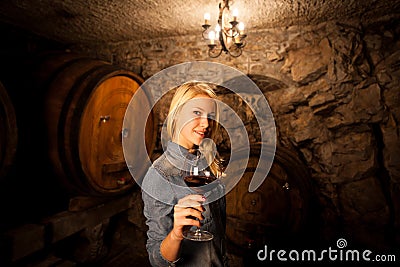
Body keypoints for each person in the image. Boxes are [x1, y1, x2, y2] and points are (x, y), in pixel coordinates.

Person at [141, 81, 228, 266]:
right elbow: (157, 260)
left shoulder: (207, 162)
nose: (206, 123)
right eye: (197, 113)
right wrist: (176, 234)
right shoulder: (160, 175)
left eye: (210, 115)